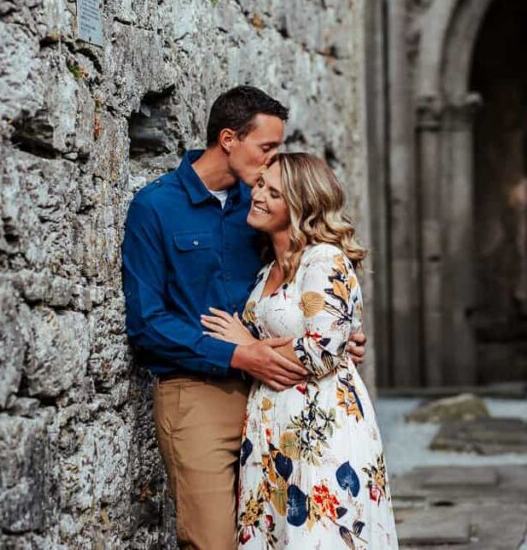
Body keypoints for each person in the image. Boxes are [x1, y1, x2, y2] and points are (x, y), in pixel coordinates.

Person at [121, 86, 367, 549]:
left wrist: (338, 334)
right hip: (199, 397)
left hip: (274, 400)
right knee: (213, 541)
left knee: (282, 538)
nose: (275, 160)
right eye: (268, 148)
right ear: (229, 139)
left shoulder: (261, 206)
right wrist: (237, 354)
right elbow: (148, 324)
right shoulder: (154, 207)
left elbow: (305, 283)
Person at [201, 153, 398, 549]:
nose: (257, 195)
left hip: (322, 425)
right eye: (260, 185)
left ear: (300, 207)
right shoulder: (266, 269)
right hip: (271, 424)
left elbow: (323, 350)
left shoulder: (324, 259)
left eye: (273, 193)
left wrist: (250, 346)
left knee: (321, 536)